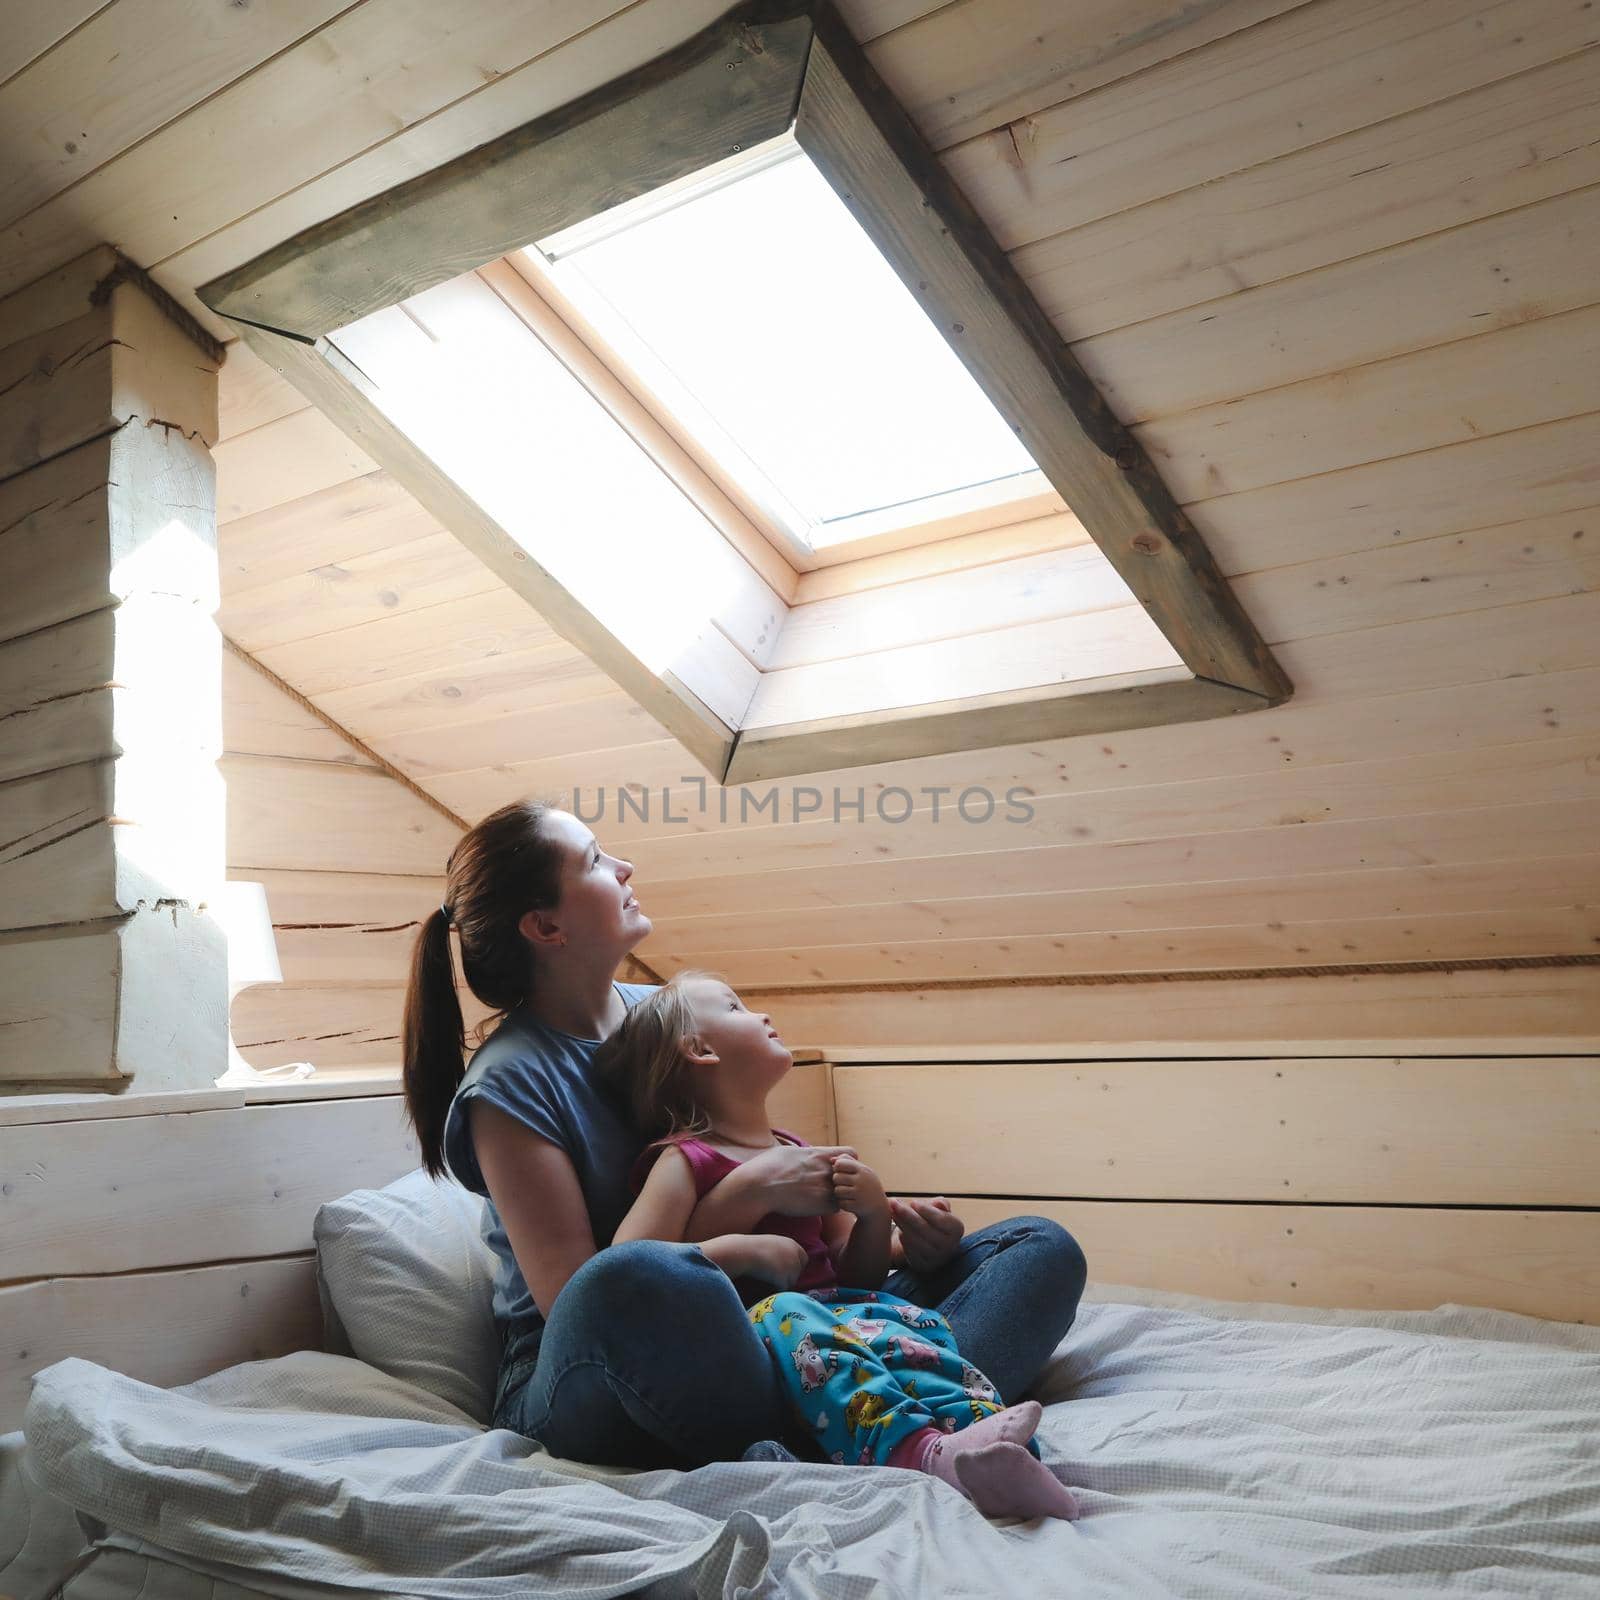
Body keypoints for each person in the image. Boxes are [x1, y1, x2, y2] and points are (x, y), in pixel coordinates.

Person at [400, 798, 1088, 1470]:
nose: (626, 865)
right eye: (595, 860)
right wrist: (745, 1202)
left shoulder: (663, 1014)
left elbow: (766, 1168)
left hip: (780, 1320)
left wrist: (906, 1239)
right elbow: (580, 1297)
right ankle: (871, 1417)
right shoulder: (511, 1085)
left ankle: (863, 1412)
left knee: (1037, 1249)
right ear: (547, 927)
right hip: (600, 1359)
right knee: (634, 1278)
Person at [595, 970, 1080, 1519]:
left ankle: (991, 1450)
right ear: (699, 1049)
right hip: (765, 1348)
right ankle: (919, 1454)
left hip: (842, 1329)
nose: (761, 1015)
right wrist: (740, 1251)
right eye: (735, 1008)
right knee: (787, 1310)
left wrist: (876, 1216)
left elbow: (859, 1278)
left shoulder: (797, 1150)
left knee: (916, 1331)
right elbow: (628, 1269)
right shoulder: (684, 1160)